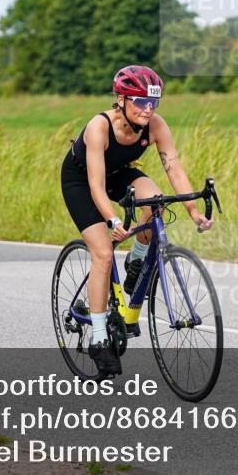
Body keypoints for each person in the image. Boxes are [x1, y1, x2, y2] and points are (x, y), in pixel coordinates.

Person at [60, 65, 214, 374]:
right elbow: (95, 184)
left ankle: (137, 260)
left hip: (118, 175)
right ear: (121, 99)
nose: (147, 109)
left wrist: (194, 210)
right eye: (140, 102)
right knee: (103, 253)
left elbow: (173, 166)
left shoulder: (155, 125)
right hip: (82, 180)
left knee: (155, 202)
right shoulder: (99, 127)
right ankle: (101, 339)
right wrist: (112, 220)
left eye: (153, 102)